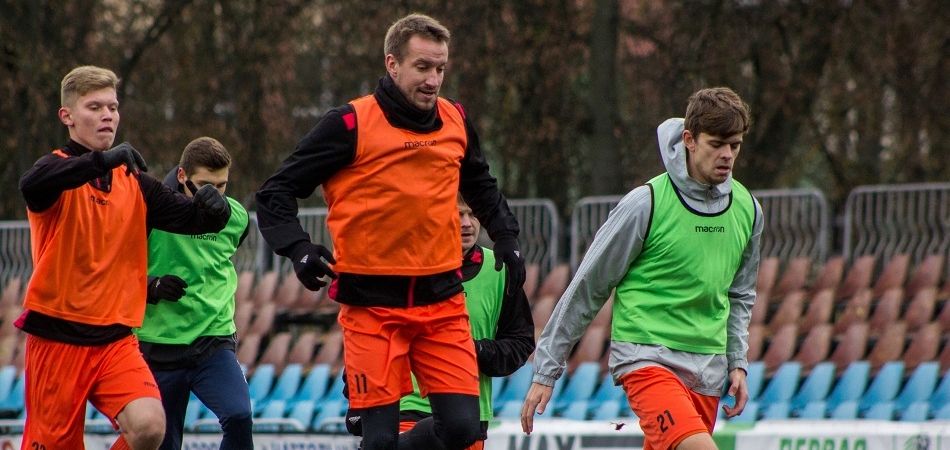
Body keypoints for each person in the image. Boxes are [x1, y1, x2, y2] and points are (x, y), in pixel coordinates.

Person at [255, 13, 525, 450]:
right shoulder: (349, 124)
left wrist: (507, 237)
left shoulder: (456, 118)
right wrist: (298, 248)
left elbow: (480, 183)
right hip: (372, 306)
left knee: (462, 429)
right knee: (378, 440)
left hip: (441, 301)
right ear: (392, 64)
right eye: (423, 67)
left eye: (440, 68)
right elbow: (275, 192)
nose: (433, 80)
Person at [521, 87, 762, 450]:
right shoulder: (645, 202)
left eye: (735, 145)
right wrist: (547, 368)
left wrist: (737, 362)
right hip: (647, 359)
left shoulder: (748, 209)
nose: (727, 155)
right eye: (716, 144)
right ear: (689, 140)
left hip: (708, 370)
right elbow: (589, 285)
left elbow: (740, 295)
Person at [16, 65, 231, 450]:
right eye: (94, 107)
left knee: (149, 427)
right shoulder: (55, 171)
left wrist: (216, 210)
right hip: (57, 338)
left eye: (113, 107)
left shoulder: (135, 183)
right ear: (67, 116)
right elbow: (31, 183)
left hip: (116, 340)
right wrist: (100, 161)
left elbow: (193, 218)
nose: (107, 116)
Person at [345, 194, 535, 450]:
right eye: (457, 214)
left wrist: (472, 350)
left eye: (473, 214)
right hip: (406, 409)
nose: (467, 223)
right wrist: (357, 398)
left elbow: (521, 343)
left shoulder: (500, 269)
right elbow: (371, 334)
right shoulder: (403, 267)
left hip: (470, 417)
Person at [134, 137, 252, 450]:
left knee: (239, 416)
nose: (214, 194)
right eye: (204, 185)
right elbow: (113, 271)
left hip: (213, 340)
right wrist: (152, 286)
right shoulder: (149, 212)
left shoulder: (237, 217)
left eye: (222, 185)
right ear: (182, 175)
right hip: (158, 345)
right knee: (162, 441)